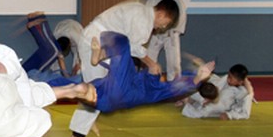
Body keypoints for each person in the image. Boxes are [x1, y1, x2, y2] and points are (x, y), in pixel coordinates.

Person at [68, 0, 179, 137]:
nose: (164, 27)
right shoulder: (145, 22)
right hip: (98, 42)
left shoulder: (139, 9)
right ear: (162, 14)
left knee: (99, 89)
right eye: (166, 22)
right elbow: (133, 47)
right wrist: (151, 63)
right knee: (97, 92)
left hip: (93, 38)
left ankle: (87, 119)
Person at [82, 32, 214, 113]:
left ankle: (102, 56)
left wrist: (198, 79)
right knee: (121, 59)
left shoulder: (155, 89)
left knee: (122, 46)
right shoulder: (147, 81)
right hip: (119, 92)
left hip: (122, 94)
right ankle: (101, 57)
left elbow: (174, 88)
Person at [146, 0, 187, 79]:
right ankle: (148, 80)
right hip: (156, 33)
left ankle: (173, 84)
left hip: (170, 33)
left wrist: (172, 29)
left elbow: (181, 16)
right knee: (149, 57)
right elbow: (148, 12)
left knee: (173, 62)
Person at [179, 64, 254, 120]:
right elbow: (214, 87)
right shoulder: (224, 80)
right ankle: (188, 98)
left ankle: (186, 103)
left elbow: (245, 114)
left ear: (240, 82)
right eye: (229, 76)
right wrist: (209, 98)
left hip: (220, 106)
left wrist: (229, 115)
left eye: (231, 78)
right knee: (206, 87)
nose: (228, 79)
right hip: (212, 96)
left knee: (203, 112)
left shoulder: (245, 92)